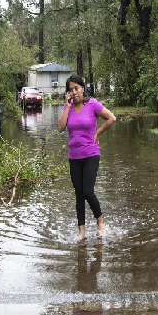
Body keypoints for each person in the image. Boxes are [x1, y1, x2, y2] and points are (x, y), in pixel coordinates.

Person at [57, 73, 116, 240]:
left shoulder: (92, 104)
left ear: (83, 88)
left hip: (91, 154)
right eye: (70, 90)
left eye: (76, 88)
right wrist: (67, 107)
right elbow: (60, 128)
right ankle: (81, 232)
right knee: (79, 194)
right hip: (74, 156)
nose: (74, 92)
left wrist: (98, 132)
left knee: (88, 191)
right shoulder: (67, 108)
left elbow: (112, 118)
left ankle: (101, 222)